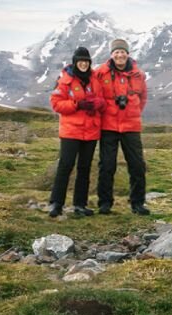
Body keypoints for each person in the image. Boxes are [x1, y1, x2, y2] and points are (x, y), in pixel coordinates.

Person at [95, 39, 150, 215]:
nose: (120, 55)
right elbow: (95, 96)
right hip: (108, 126)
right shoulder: (100, 73)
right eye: (116, 52)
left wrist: (132, 111)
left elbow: (143, 99)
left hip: (131, 126)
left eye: (123, 52)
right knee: (107, 166)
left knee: (137, 165)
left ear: (128, 54)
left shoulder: (138, 75)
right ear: (111, 54)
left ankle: (138, 203)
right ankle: (105, 203)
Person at [48, 47, 106, 217]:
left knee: (84, 168)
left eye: (86, 61)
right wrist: (77, 104)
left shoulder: (95, 79)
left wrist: (97, 104)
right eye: (80, 61)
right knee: (65, 166)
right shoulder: (65, 80)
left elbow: (102, 101)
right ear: (75, 62)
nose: (83, 63)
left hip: (91, 131)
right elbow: (56, 104)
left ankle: (80, 205)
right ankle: (56, 204)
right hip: (71, 132)